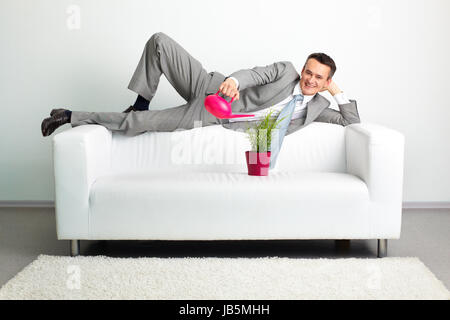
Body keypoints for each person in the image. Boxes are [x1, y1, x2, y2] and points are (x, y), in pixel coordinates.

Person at [41, 32, 360, 137]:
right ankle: (140, 100)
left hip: (213, 113)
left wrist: (337, 93)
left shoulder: (318, 107)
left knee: (141, 124)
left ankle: (68, 115)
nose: (309, 79)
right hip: (214, 85)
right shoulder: (286, 71)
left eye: (318, 77)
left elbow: (350, 121)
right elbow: (254, 74)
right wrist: (234, 80)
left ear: (325, 82)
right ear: (302, 68)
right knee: (160, 43)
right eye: (309, 71)